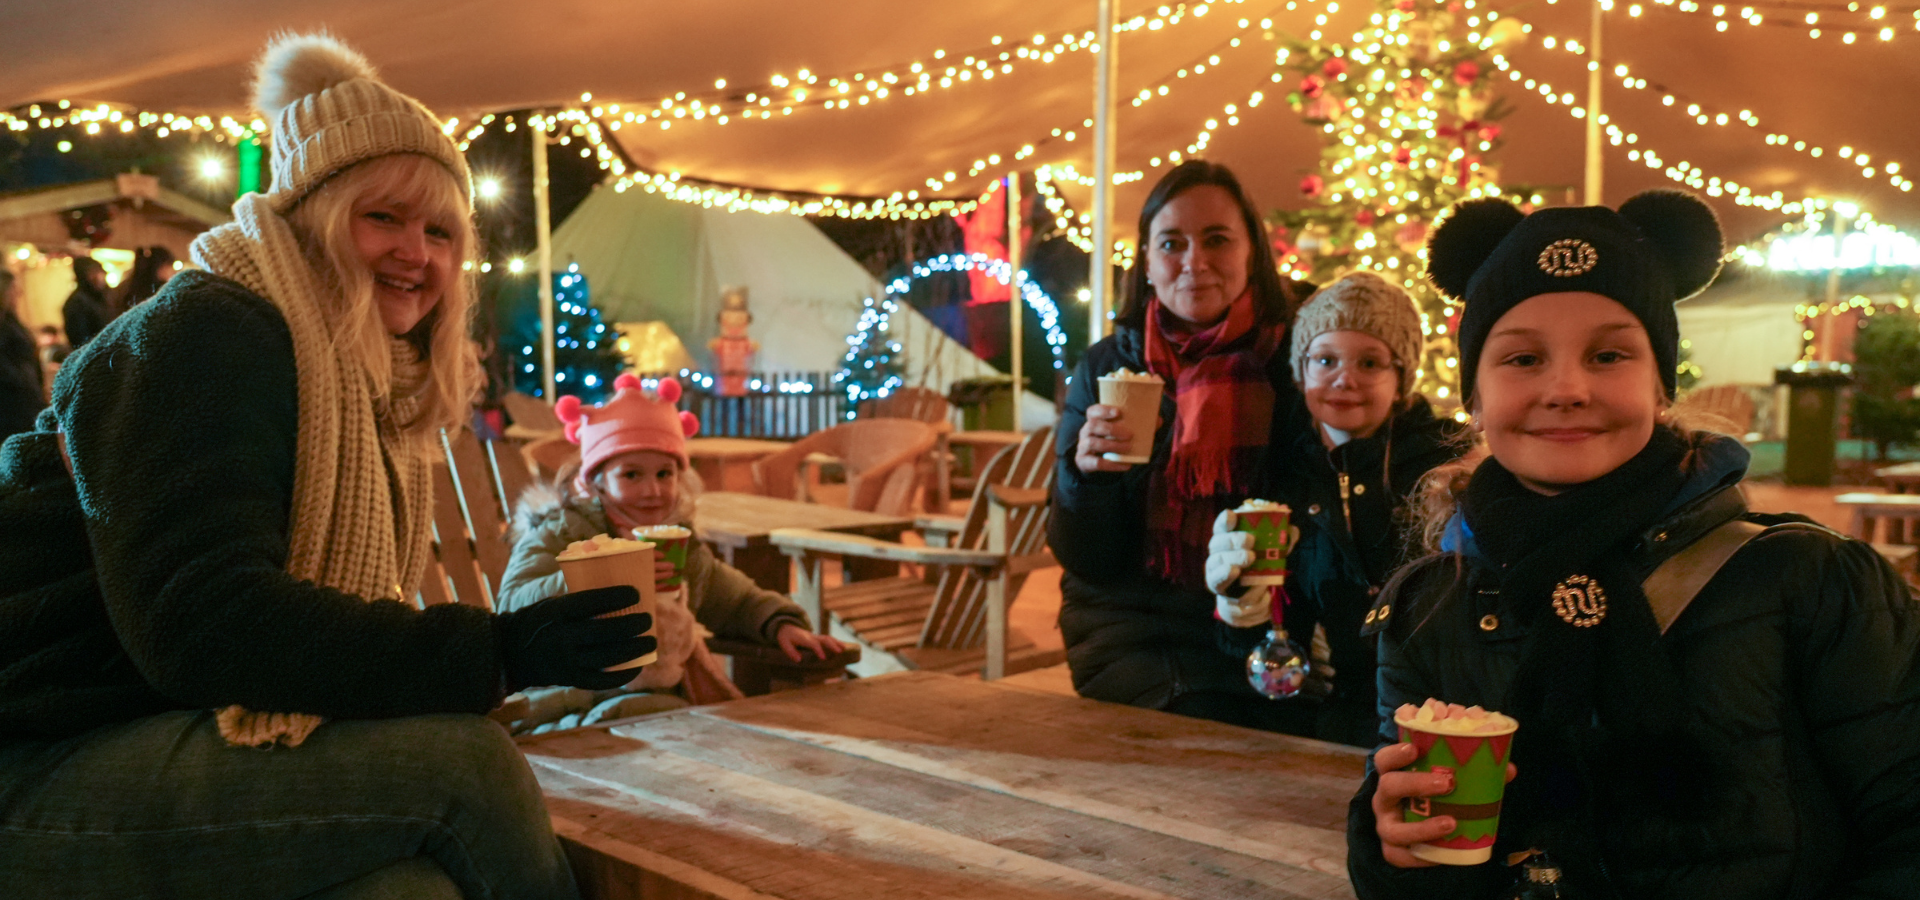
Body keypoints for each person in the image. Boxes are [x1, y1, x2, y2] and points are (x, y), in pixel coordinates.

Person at [0, 34, 652, 899]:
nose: (417, 253)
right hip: (42, 761)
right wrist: (494, 654)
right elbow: (201, 621)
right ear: (309, 217)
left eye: (440, 231)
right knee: (470, 768)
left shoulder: (349, 376)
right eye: (380, 216)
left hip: (155, 731)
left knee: (413, 892)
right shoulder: (204, 334)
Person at [1347, 191, 1920, 898]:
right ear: (1475, 396)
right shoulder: (1426, 608)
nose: (1566, 387)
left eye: (1609, 353)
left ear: (1658, 385)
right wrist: (1386, 846)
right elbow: (1408, 869)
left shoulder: (1812, 581)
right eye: (1522, 358)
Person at [1048, 160, 1317, 732]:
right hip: (1133, 630)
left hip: (1271, 624)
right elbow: (1086, 559)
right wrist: (1086, 478)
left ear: (1252, 252)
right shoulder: (1107, 364)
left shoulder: (1303, 354)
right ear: (1147, 261)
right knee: (1205, 727)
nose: (1194, 261)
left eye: (1217, 239)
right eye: (1172, 243)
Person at [496, 373, 845, 731]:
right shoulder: (562, 531)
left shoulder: (678, 545)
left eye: (665, 473)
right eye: (631, 475)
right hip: (564, 698)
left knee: (680, 719)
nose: (653, 490)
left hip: (652, 703)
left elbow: (733, 599)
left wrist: (779, 623)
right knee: (670, 720)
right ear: (596, 480)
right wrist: (602, 571)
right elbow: (512, 604)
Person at [1206, 272, 1467, 747]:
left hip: (1429, 715)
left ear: (1401, 377)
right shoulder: (1277, 470)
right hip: (1315, 719)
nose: (1344, 379)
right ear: (1301, 371)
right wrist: (1240, 607)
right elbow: (1263, 642)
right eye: (1325, 360)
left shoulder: (1446, 465)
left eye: (1370, 362)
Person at [0, 267, 44, 442]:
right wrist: (22, 381)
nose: (18, 293)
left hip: (23, 398)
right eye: (13, 289)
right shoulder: (4, 324)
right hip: (11, 401)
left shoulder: (11, 320)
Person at [60, 255, 112, 348]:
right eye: (93, 273)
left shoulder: (102, 298)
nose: (99, 277)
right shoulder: (77, 303)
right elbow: (81, 340)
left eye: (99, 272)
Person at [113, 244, 177, 312]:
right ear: (159, 267)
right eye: (170, 266)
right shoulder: (158, 292)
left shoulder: (128, 287)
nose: (173, 271)